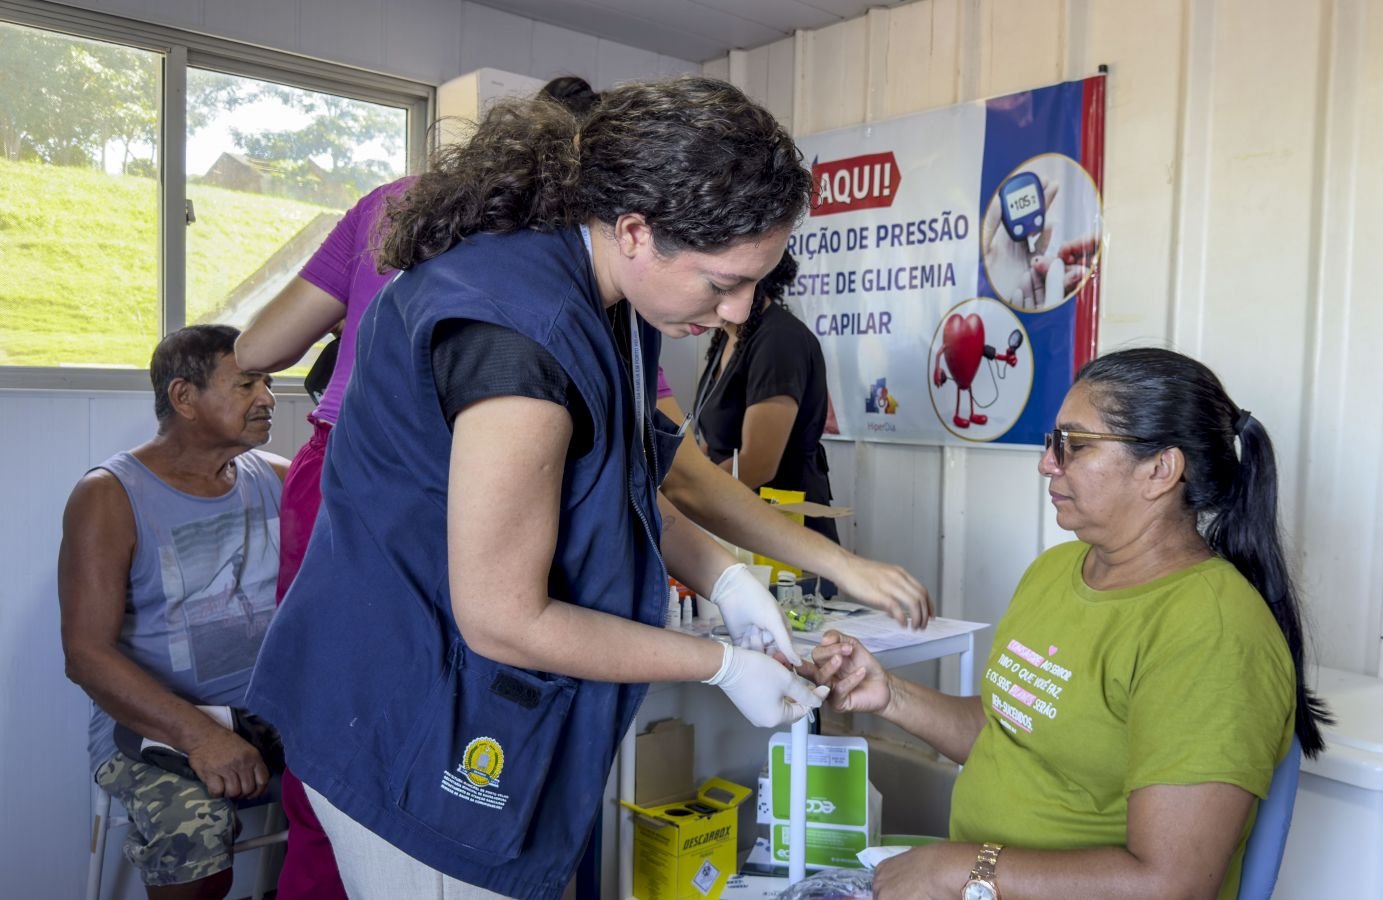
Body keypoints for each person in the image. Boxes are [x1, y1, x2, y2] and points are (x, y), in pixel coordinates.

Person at [245, 75, 925, 899]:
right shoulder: (517, 333)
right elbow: (503, 618)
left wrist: (727, 577)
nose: (740, 312)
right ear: (636, 229)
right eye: (722, 283)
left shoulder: (606, 295)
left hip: (449, 684)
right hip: (406, 710)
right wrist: (718, 664)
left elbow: (625, 482)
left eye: (757, 284)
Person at [232, 74, 605, 900]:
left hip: (342, 476)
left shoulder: (393, 204)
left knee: (333, 740)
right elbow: (644, 425)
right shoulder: (581, 242)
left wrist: (365, 313)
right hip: (479, 483)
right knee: (479, 751)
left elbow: (257, 349)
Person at [804, 347, 1329, 900]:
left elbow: (1168, 883)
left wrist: (964, 869)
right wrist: (888, 696)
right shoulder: (1057, 570)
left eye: (1074, 445)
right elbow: (1009, 732)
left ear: (1160, 469)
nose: (1047, 462)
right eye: (1054, 442)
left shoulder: (1213, 633)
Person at [59, 325, 287, 900]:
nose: (268, 398)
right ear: (184, 398)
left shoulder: (279, 478)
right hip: (149, 731)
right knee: (196, 828)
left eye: (268, 382)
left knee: (376, 788)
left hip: (272, 718)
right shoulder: (110, 495)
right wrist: (200, 738)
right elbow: (86, 656)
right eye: (247, 384)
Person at [692, 250, 838, 541]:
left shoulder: (779, 340)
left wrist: (691, 493)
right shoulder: (729, 336)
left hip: (786, 531)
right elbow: (714, 439)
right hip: (739, 519)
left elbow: (757, 464)